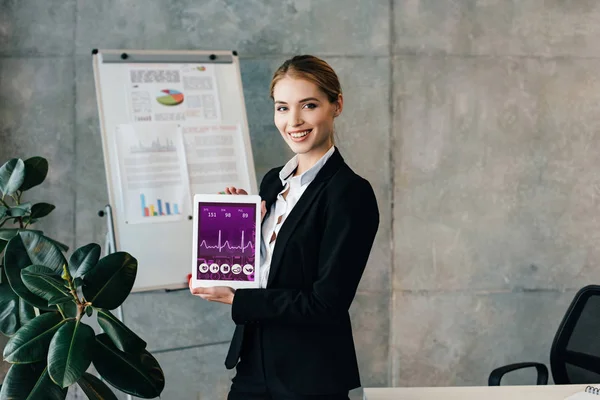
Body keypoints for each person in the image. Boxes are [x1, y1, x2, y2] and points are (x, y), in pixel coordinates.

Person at [189, 55, 380, 400]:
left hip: (309, 376)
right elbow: (268, 275)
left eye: (308, 105)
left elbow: (326, 303)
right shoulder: (272, 183)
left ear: (336, 105)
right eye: (282, 108)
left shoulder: (349, 193)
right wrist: (235, 232)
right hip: (252, 365)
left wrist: (238, 302)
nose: (293, 121)